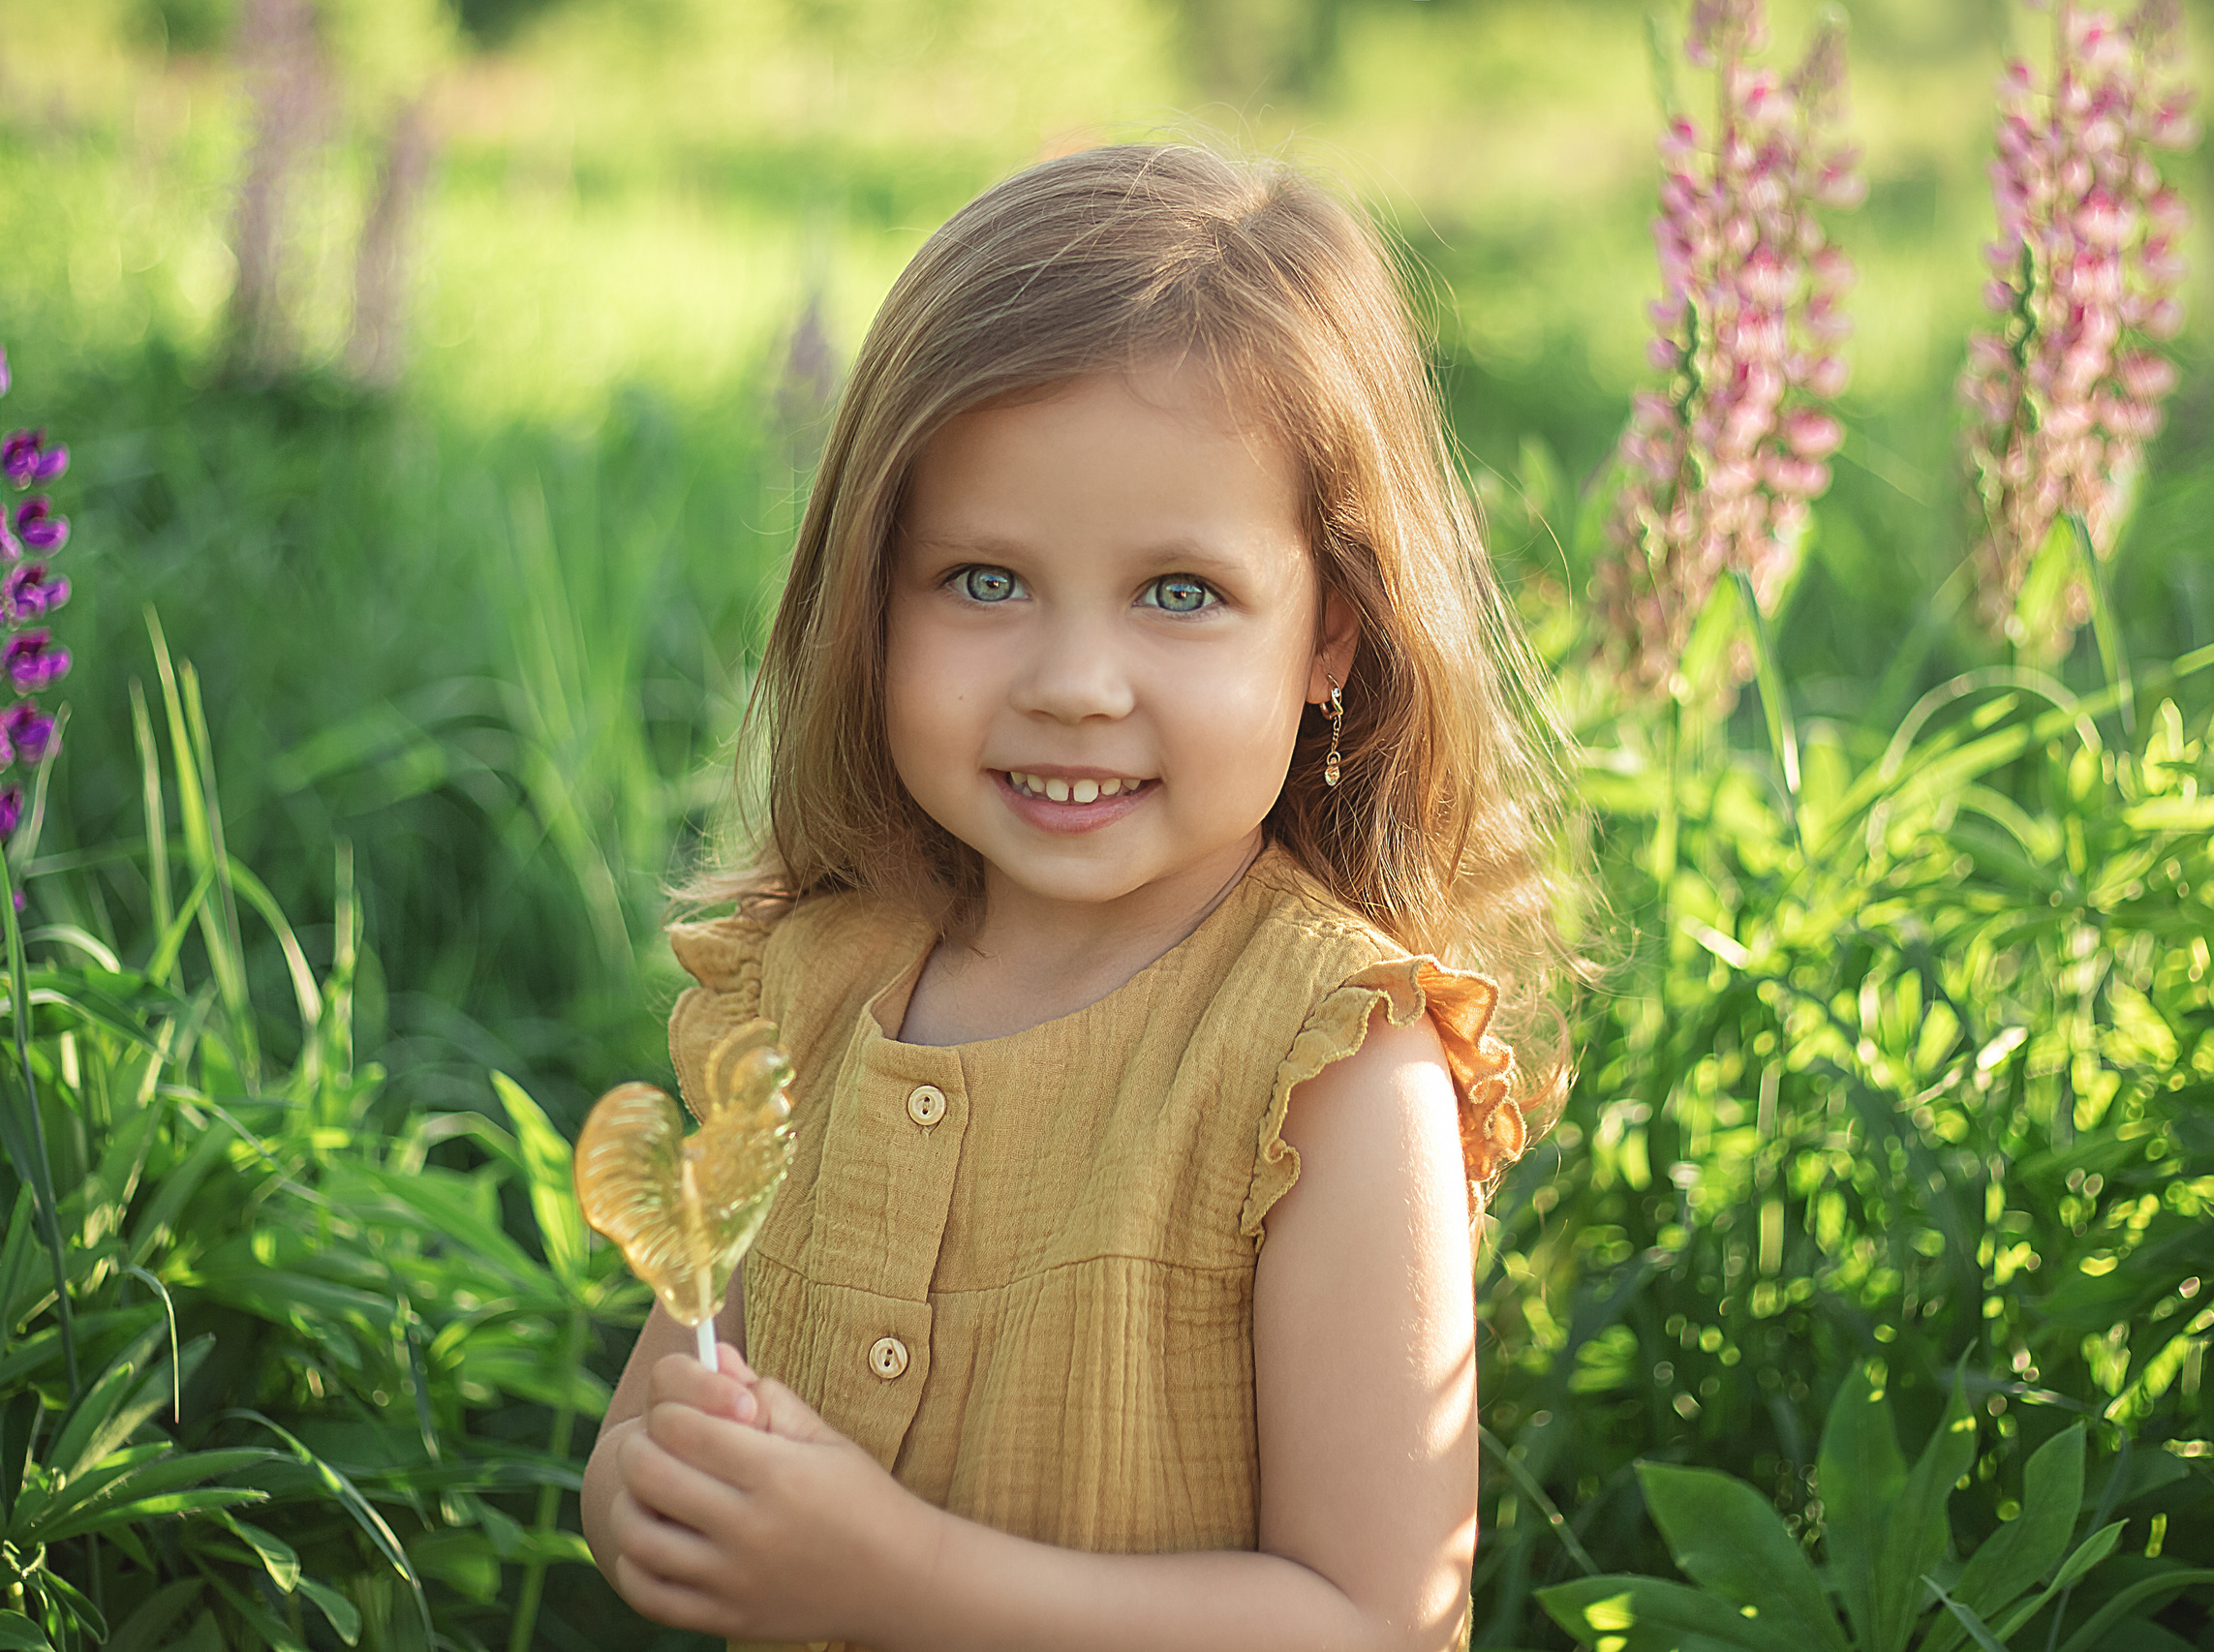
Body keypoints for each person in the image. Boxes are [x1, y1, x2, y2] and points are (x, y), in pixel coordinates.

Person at [577, 142, 1583, 1652]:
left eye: (1180, 593)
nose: (1072, 686)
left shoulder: (1334, 1064)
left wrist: (895, 1579)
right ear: (870, 597)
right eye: (984, 579)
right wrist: (659, 1492)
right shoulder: (814, 984)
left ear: (1333, 643)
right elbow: (660, 1419)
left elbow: (1377, 1621)